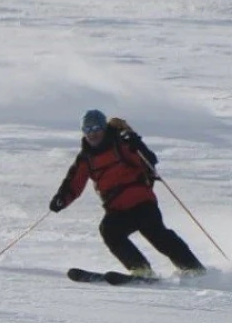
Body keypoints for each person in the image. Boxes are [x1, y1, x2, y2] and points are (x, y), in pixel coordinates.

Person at [48, 109, 207, 278]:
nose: (92, 134)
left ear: (104, 128)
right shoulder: (86, 158)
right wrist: (61, 199)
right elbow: (74, 182)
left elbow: (149, 161)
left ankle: (192, 268)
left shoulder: (121, 143)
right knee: (109, 230)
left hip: (141, 202)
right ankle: (140, 269)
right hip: (117, 208)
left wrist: (136, 144)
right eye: (87, 130)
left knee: (157, 234)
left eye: (96, 128)